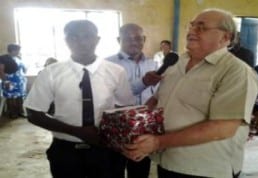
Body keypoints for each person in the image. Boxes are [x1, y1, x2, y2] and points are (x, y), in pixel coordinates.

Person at [123, 8, 258, 178]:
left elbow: (222, 128)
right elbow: (158, 98)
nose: (191, 31)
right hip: (168, 161)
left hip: (204, 168)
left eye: (201, 27)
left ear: (225, 37)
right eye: (192, 26)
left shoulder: (236, 72)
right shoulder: (178, 62)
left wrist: (158, 142)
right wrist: (139, 124)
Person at [24, 20, 135, 178]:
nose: (82, 42)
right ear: (66, 41)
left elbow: (125, 108)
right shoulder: (51, 73)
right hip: (66, 151)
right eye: (74, 37)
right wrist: (78, 132)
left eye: (87, 36)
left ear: (97, 40)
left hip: (106, 148)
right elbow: (33, 113)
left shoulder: (116, 72)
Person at [106, 23, 161, 178]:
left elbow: (158, 93)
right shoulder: (107, 64)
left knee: (140, 170)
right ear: (118, 40)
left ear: (144, 39)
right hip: (117, 126)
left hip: (144, 127)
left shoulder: (154, 63)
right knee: (114, 169)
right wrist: (143, 82)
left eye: (138, 38)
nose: (134, 42)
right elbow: (110, 94)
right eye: (128, 39)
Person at [0, 44, 27, 118]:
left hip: (19, 81)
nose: (18, 52)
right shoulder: (3, 58)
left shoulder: (18, 58)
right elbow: (1, 70)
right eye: (17, 50)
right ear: (12, 50)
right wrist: (5, 81)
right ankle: (12, 113)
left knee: (20, 96)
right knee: (10, 97)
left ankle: (20, 112)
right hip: (9, 81)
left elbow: (22, 68)